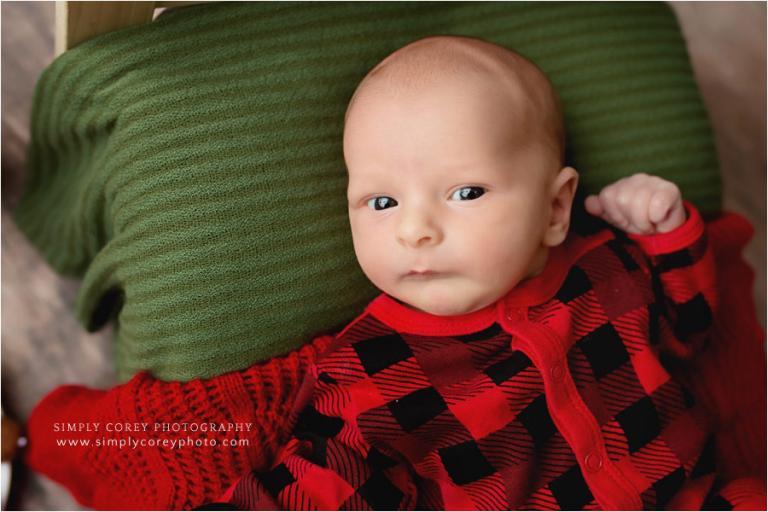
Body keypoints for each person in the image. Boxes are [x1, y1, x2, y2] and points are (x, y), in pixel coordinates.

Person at [204, 36, 764, 510]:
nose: (414, 230)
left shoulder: (607, 266)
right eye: (381, 203)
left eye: (465, 192)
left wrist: (664, 233)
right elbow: (319, 481)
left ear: (554, 209)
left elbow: (690, 328)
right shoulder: (368, 372)